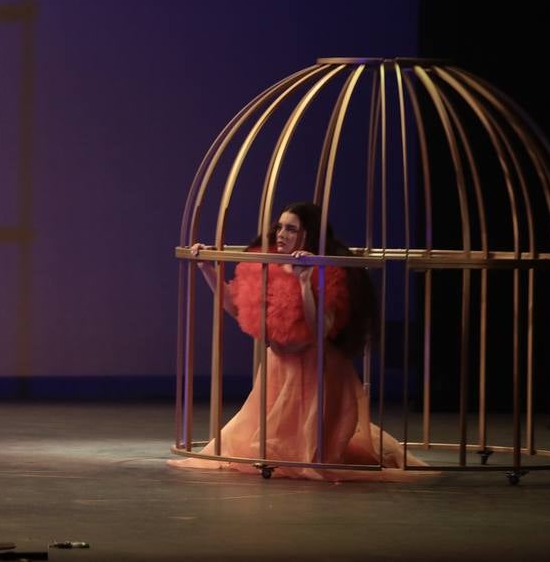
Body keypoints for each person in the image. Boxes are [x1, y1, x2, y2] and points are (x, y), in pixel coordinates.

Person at [174, 202, 419, 480]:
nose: (281, 234)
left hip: (317, 368)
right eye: (279, 227)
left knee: (313, 445)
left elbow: (319, 328)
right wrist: (207, 268)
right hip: (279, 366)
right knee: (263, 438)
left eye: (291, 229)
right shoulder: (265, 266)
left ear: (309, 234)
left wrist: (305, 282)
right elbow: (237, 307)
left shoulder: (325, 270)